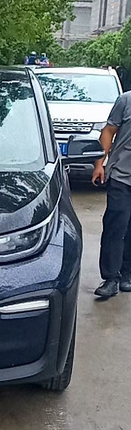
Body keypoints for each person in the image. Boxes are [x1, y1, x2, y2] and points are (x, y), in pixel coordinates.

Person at [93, 90, 131, 298]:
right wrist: (99, 164)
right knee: (116, 226)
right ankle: (111, 278)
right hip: (121, 175)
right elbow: (108, 131)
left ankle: (128, 274)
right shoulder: (126, 100)